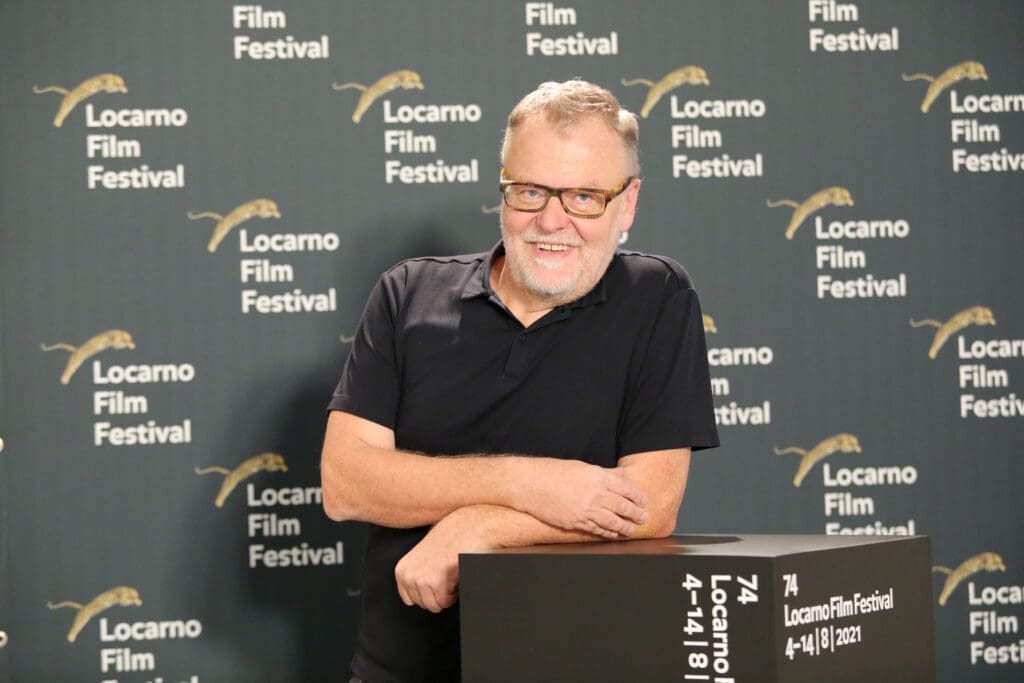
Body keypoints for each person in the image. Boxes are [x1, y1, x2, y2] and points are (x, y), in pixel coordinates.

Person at [320, 79, 719, 682]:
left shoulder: (657, 297)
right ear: (503, 190)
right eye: (529, 191)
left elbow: (647, 507)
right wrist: (535, 483)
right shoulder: (406, 293)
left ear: (628, 203)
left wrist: (478, 528)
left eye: (586, 196)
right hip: (402, 668)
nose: (552, 220)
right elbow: (347, 483)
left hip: (576, 664)